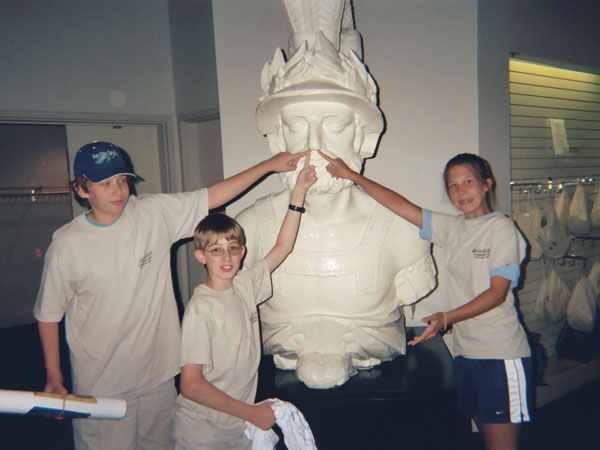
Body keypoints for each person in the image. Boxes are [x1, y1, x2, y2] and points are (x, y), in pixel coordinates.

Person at [33, 141, 306, 450]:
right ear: (82, 189)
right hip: (101, 383)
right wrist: (54, 376)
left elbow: (211, 196)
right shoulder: (67, 245)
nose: (118, 190)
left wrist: (269, 165)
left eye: (122, 180)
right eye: (106, 183)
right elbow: (48, 313)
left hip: (159, 377)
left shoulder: (152, 212)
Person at [235, 0, 436, 389]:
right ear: (278, 136)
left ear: (363, 135)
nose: (314, 144)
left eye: (334, 123)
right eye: (297, 124)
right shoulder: (249, 231)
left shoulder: (403, 233)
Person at [320, 150, 532, 450]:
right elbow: (401, 206)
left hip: (500, 355)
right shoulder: (454, 228)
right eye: (452, 185)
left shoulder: (502, 230)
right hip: (467, 352)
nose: (460, 191)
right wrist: (352, 176)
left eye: (468, 181)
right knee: (486, 440)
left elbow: (497, 293)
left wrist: (447, 318)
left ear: (487, 184)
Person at [172, 152, 316, 449]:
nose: (226, 257)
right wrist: (251, 413)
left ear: (243, 251)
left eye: (232, 248)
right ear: (201, 256)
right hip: (203, 431)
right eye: (216, 250)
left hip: (237, 426)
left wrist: (298, 190)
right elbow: (191, 385)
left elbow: (283, 247)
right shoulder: (201, 309)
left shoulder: (246, 284)